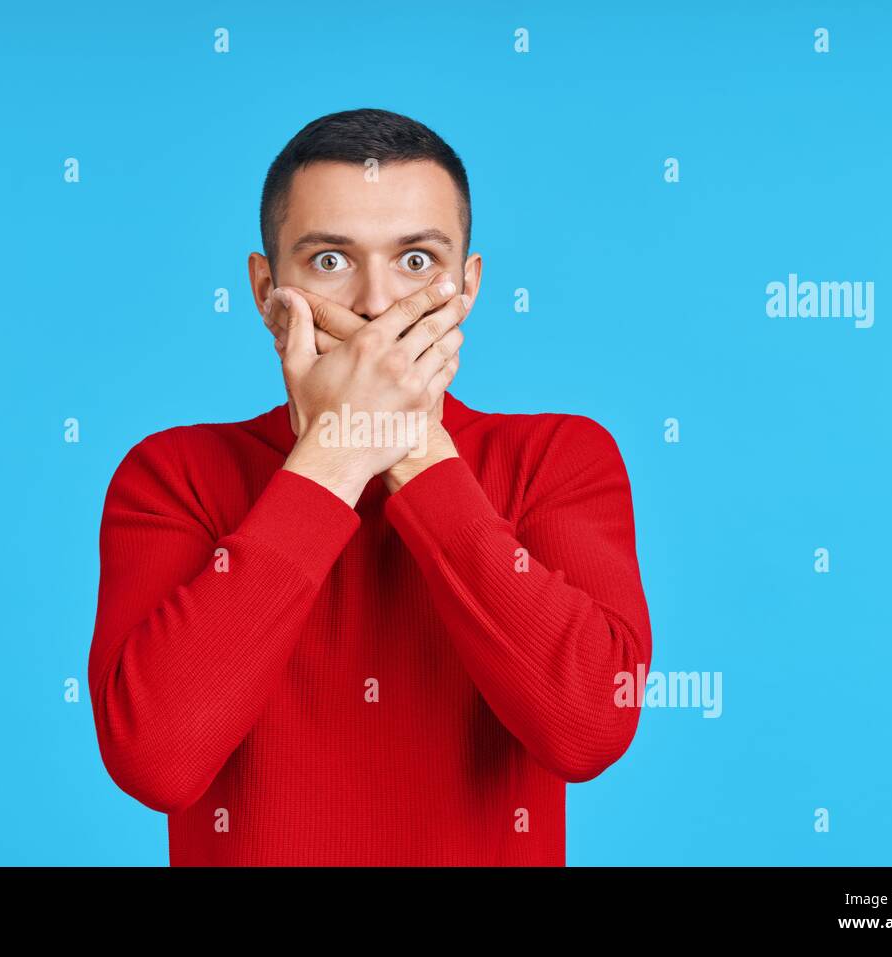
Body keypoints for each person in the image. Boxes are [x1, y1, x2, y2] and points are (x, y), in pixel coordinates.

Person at [87, 108, 652, 865]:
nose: (378, 305)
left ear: (469, 287)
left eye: (417, 261)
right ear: (264, 290)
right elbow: (155, 760)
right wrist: (334, 458)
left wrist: (414, 450)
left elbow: (587, 729)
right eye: (329, 261)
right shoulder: (174, 477)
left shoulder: (558, 459)